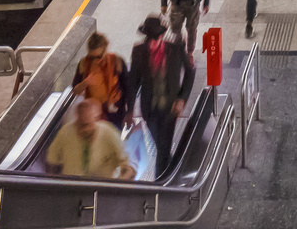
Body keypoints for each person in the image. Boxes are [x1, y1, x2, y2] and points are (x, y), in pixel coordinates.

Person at [126, 15, 192, 176]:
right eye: (149, 39)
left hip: (170, 108)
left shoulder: (175, 49)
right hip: (150, 109)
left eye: (154, 38)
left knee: (163, 147)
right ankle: (173, 172)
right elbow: (133, 82)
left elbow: (190, 73)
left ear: (161, 36)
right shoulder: (139, 51)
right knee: (162, 146)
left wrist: (182, 99)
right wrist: (128, 111)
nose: (152, 43)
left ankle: (160, 182)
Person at [46, 98, 133, 179]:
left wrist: (118, 186)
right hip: (73, 189)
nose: (84, 129)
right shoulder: (65, 132)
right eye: (80, 125)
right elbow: (51, 161)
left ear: (96, 120)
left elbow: (129, 164)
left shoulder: (108, 133)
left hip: (101, 189)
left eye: (87, 125)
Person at [72, 33, 128, 128]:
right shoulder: (84, 64)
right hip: (92, 116)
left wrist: (129, 112)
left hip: (115, 113)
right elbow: (75, 90)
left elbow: (127, 88)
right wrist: (86, 82)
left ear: (105, 50)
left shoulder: (117, 62)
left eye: (98, 56)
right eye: (92, 57)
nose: (95, 60)